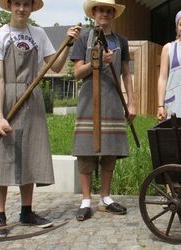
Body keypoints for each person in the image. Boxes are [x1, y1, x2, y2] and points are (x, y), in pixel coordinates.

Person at [0, 0, 81, 237]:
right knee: (1, 155)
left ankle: (27, 212)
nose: (21, 8)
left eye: (26, 3)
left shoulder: (38, 34)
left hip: (32, 96)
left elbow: (56, 66)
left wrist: (68, 42)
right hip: (6, 98)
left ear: (32, 7)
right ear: (9, 6)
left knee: (30, 153)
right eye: (17, 3)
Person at [70, 0, 135, 221]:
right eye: (101, 10)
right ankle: (86, 200)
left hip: (113, 101)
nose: (105, 14)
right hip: (89, 101)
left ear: (114, 14)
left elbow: (126, 74)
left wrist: (132, 103)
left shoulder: (121, 41)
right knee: (85, 151)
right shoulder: (82, 39)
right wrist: (96, 63)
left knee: (110, 151)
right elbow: (77, 72)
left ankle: (105, 198)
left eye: (109, 10)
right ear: (94, 13)